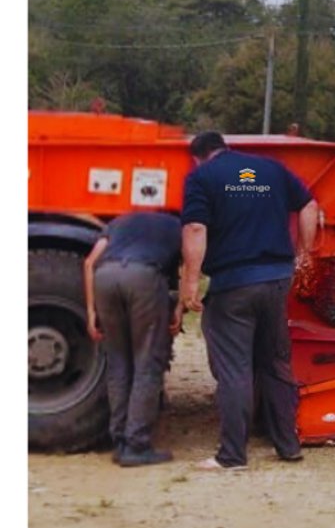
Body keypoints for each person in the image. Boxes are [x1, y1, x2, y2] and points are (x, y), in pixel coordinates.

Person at [178, 131, 319, 471]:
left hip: (234, 285)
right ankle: (288, 446)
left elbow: (195, 228)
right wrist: (305, 253)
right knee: (275, 364)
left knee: (234, 369)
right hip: (277, 281)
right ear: (225, 148)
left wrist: (190, 282)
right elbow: (309, 205)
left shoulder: (201, 177)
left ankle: (232, 456)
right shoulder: (270, 169)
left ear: (198, 156)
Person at [83, 208, 184, 466]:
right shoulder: (176, 225)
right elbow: (185, 267)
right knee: (147, 362)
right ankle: (137, 445)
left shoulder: (120, 221)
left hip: (105, 277)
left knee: (118, 363)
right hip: (143, 277)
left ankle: (119, 441)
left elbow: (89, 263)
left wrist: (92, 311)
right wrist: (179, 307)